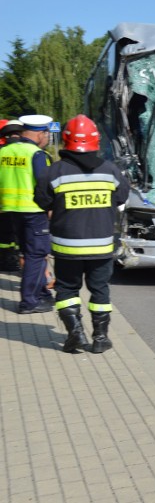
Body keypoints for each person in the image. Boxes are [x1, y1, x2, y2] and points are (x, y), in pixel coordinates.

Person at [35, 115, 129, 353]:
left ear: (66, 140)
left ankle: (75, 333)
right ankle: (100, 338)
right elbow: (121, 198)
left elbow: (41, 202)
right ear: (95, 141)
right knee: (100, 290)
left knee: (67, 290)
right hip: (101, 247)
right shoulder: (110, 171)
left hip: (68, 247)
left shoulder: (53, 172)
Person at [0, 114, 54, 313]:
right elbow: (44, 185)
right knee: (36, 255)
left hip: (11, 210)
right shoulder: (37, 154)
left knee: (30, 254)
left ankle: (42, 293)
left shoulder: (5, 151)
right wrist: (50, 208)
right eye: (47, 134)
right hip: (34, 211)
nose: (48, 138)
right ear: (40, 134)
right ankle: (30, 301)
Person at [0, 119, 24, 271]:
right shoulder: (29, 151)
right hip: (24, 203)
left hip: (3, 202)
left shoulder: (2, 152)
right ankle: (17, 260)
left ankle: (5, 260)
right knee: (18, 235)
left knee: (4, 234)